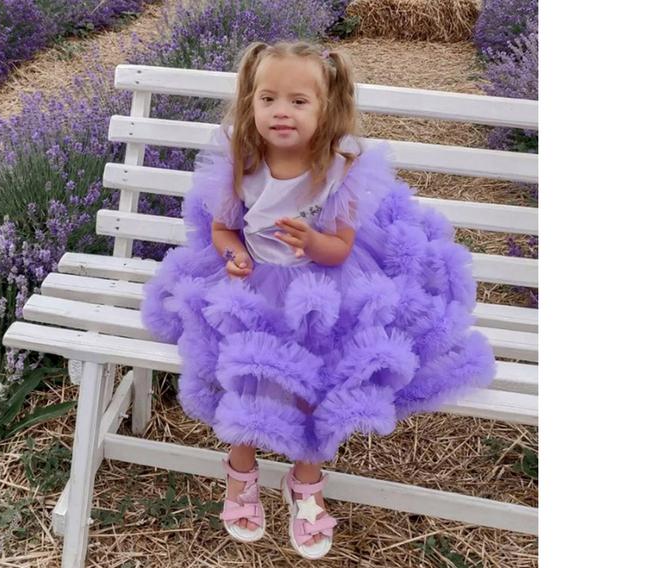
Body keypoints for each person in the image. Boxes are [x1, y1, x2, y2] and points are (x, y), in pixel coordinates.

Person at [139, 40, 496, 560]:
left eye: (299, 101)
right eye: (268, 99)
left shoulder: (339, 167)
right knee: (246, 369)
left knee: (318, 375)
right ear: (249, 102)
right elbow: (222, 227)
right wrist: (234, 253)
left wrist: (311, 242)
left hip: (323, 287)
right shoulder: (241, 157)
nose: (281, 112)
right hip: (253, 280)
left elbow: (341, 249)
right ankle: (241, 470)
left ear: (326, 107)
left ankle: (306, 480)